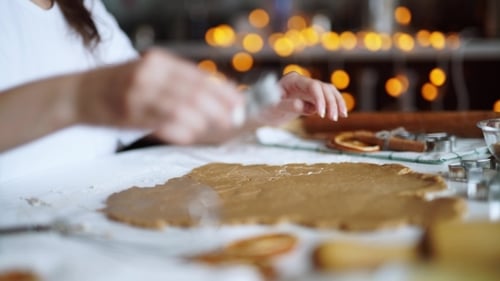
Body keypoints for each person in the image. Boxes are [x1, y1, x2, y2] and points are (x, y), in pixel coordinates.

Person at [0, 0, 347, 181]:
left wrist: (262, 108)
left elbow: (174, 121)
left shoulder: (84, 10)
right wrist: (79, 97)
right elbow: (94, 96)